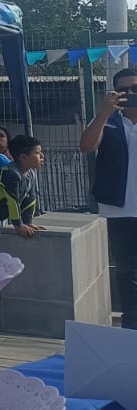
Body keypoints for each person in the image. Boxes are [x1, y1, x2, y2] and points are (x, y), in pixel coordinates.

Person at [82, 67, 137, 328]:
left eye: (135, 88)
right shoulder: (108, 121)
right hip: (120, 211)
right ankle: (132, 327)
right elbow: (86, 146)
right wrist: (104, 112)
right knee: (127, 273)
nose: (130, 93)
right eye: (123, 90)